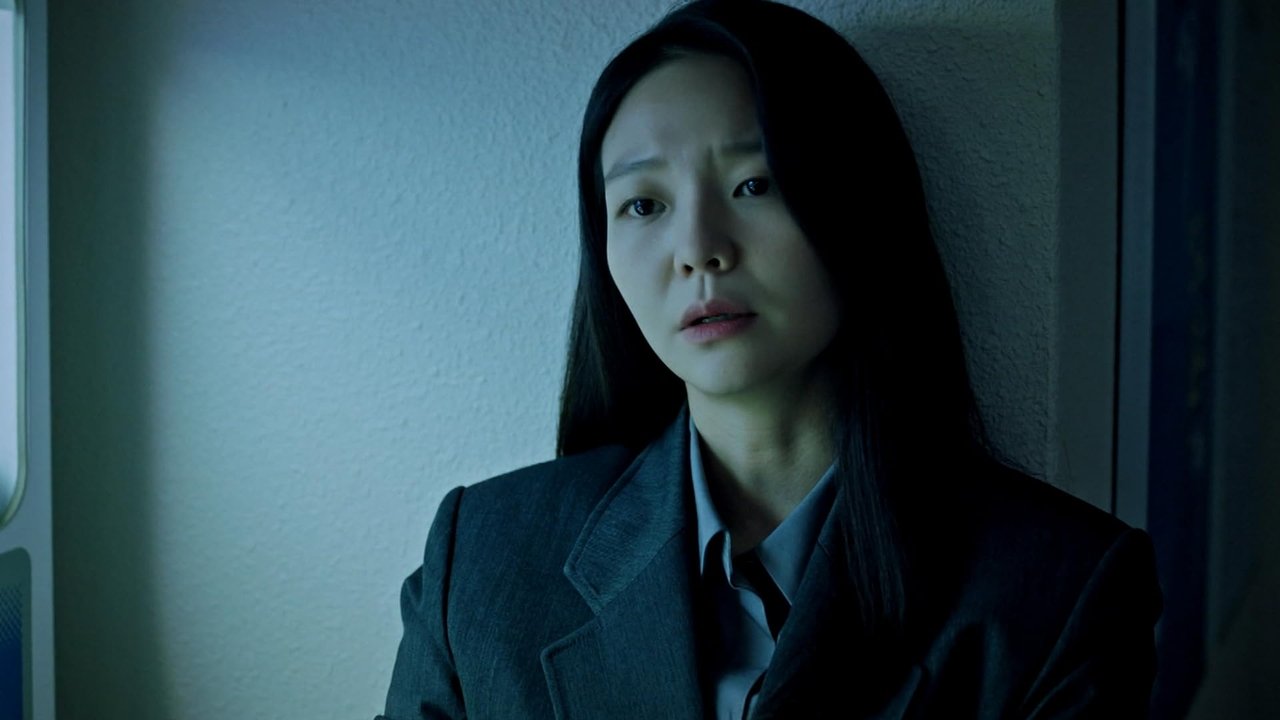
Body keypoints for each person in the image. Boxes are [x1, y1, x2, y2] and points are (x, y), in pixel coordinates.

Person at [378, 1, 1162, 718]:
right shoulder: (481, 560)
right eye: (644, 204)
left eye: (755, 184)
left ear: (857, 206)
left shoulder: (1060, 593)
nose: (698, 249)